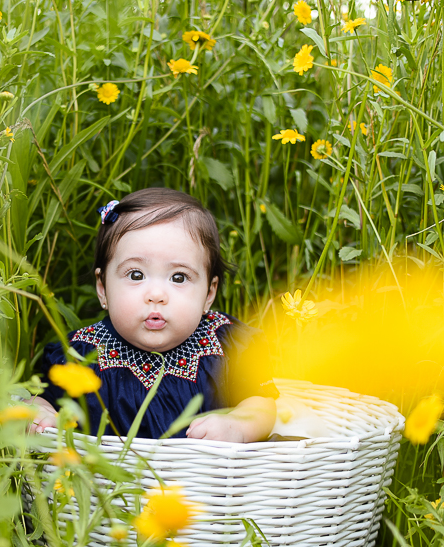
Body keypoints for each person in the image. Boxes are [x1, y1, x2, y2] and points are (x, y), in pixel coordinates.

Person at [27, 188, 277, 442]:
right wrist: (41, 412)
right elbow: (41, 399)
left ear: (209, 294)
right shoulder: (80, 356)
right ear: (103, 288)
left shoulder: (225, 344)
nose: (156, 294)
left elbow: (262, 403)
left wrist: (237, 426)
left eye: (179, 277)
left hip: (206, 468)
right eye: (136, 275)